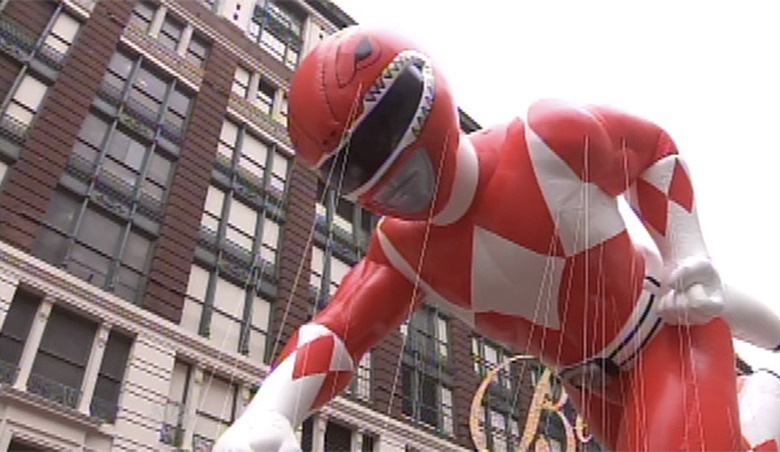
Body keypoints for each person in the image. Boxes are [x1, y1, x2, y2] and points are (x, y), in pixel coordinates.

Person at [213, 27, 780, 451]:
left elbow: (653, 152)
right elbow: (338, 330)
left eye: (387, 128)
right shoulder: (404, 251)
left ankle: (758, 407)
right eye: (353, 165)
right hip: (592, 387)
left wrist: (688, 250)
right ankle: (757, 412)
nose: (387, 169)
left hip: (666, 336)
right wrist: (268, 412)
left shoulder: (545, 140)